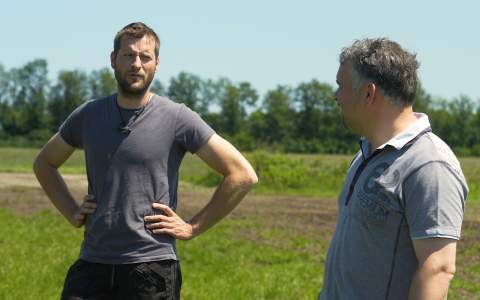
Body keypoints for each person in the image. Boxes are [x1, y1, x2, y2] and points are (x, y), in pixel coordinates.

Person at [33, 22, 258, 300]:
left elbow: (242, 174)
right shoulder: (88, 115)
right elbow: (44, 163)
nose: (136, 64)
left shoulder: (177, 118)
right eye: (128, 55)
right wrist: (71, 211)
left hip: (152, 268)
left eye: (145, 57)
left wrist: (193, 227)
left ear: (157, 63)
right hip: (92, 264)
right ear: (113, 60)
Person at [319, 38, 468, 300]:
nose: (335, 96)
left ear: (369, 93)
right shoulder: (368, 152)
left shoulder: (430, 164)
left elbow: (438, 269)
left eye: (340, 86)